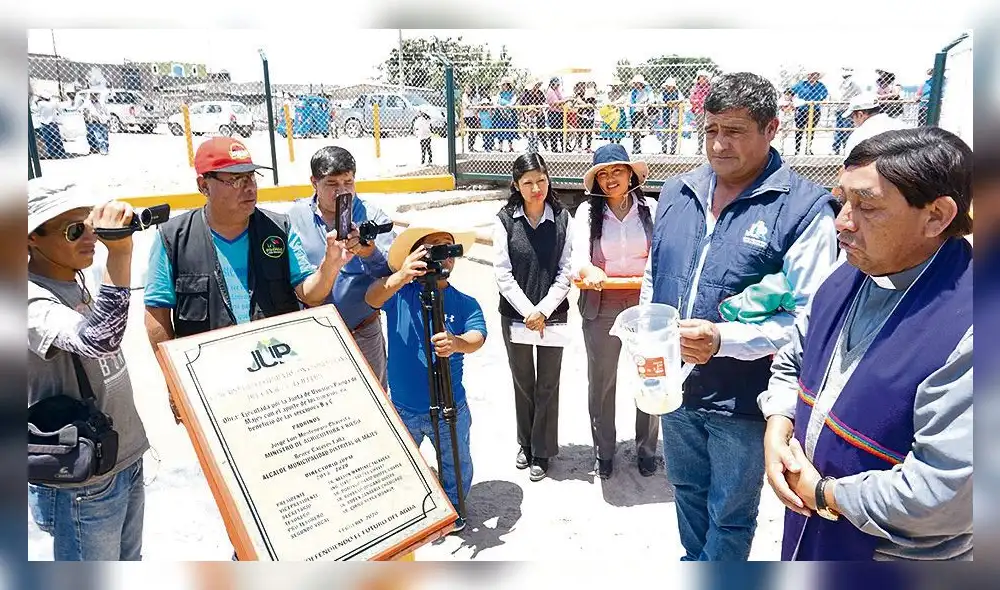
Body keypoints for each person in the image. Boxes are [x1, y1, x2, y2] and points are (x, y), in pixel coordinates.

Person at [640, 72, 839, 561]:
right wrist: (649, 334)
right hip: (675, 391)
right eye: (710, 130)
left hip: (743, 401)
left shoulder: (803, 210)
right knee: (686, 495)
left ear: (771, 129)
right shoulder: (678, 192)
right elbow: (655, 276)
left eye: (734, 131)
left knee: (729, 514)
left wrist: (723, 339)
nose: (718, 144)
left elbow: (809, 322)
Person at [759, 127, 974, 561]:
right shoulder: (849, 274)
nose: (842, 222)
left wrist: (825, 494)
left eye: (867, 207)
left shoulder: (972, 323)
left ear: (937, 216)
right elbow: (794, 359)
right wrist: (778, 424)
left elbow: (946, 491)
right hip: (811, 534)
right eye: (842, 200)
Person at [144, 137, 352, 420]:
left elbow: (310, 294)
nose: (250, 187)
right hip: (213, 382)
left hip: (277, 376)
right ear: (204, 186)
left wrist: (330, 264)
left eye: (251, 177)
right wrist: (174, 382)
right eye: (236, 179)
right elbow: (157, 315)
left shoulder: (278, 229)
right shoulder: (173, 238)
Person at [27, 180, 149, 560]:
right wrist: (121, 254)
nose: (91, 238)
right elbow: (98, 340)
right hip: (82, 477)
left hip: (120, 456)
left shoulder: (75, 279)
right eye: (73, 230)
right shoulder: (29, 299)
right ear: (31, 238)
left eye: (90, 226)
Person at [364, 225, 486, 533]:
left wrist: (457, 343)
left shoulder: (463, 301)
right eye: (432, 248)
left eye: (447, 248)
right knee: (403, 462)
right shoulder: (401, 293)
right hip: (404, 405)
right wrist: (402, 275)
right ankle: (409, 507)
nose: (442, 256)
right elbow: (373, 297)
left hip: (449, 404)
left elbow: (477, 336)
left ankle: (455, 505)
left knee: (455, 461)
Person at [572, 144, 659, 479]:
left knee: (649, 376)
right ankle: (603, 451)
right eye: (603, 174)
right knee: (602, 380)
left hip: (644, 303)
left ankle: (647, 448)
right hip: (602, 303)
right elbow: (579, 256)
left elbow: (662, 253)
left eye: (617, 171)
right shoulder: (587, 213)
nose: (610, 179)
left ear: (631, 175)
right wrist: (587, 271)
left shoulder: (650, 208)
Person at [286, 146, 396, 390]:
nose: (343, 191)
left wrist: (370, 253)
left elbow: (393, 272)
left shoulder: (373, 215)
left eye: (348, 182)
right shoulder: (295, 218)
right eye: (332, 183)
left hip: (363, 329)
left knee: (374, 398)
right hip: (314, 335)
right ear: (314, 182)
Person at [493, 152, 573, 482]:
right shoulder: (504, 220)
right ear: (516, 185)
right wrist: (529, 311)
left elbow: (566, 270)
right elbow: (502, 272)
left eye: (541, 180)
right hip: (516, 316)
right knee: (523, 381)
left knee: (548, 384)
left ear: (548, 180)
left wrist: (544, 310)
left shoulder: (563, 219)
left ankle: (542, 449)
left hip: (553, 315)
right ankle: (524, 443)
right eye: (527, 182)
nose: (535, 187)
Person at [841, 94, 910, 159]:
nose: (852, 121)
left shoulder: (858, 135)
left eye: (852, 117)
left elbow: (849, 168)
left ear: (860, 115)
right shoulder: (902, 126)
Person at [791, 70, 829, 155]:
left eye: (816, 74)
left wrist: (822, 101)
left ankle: (808, 148)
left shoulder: (820, 86)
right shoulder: (801, 84)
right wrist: (793, 101)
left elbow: (825, 96)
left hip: (815, 111)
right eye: (812, 74)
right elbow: (789, 92)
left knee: (811, 131)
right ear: (808, 75)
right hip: (801, 111)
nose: (814, 76)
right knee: (799, 130)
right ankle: (797, 149)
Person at [833, 68, 861, 155]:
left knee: (847, 130)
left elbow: (858, 96)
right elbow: (835, 96)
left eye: (848, 76)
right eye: (845, 76)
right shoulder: (839, 85)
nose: (846, 78)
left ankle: (846, 148)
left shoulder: (855, 87)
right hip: (839, 109)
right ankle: (836, 149)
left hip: (848, 110)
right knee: (838, 129)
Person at [688, 71, 712, 154]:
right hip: (699, 111)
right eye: (700, 78)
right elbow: (691, 98)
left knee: (710, 130)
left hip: (709, 111)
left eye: (703, 78)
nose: (701, 80)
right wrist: (698, 103)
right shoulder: (695, 88)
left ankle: (709, 149)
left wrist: (701, 103)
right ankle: (700, 148)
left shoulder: (710, 88)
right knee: (700, 130)